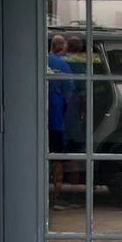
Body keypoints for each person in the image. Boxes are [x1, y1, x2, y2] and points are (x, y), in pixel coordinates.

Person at [48, 34, 75, 203]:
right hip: (56, 116)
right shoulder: (63, 65)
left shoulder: (38, 59)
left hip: (38, 117)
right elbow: (69, 93)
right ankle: (57, 194)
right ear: (62, 47)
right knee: (58, 156)